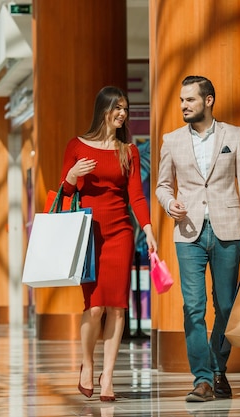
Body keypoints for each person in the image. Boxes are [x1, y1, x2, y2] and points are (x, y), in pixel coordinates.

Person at [155, 75, 240, 402]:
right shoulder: (171, 140)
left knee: (227, 306)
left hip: (228, 229)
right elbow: (162, 185)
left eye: (189, 99)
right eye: (181, 100)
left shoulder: (235, 135)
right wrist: (168, 202)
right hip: (187, 233)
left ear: (209, 100)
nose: (183, 106)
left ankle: (219, 368)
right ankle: (202, 379)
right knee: (193, 307)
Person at [60, 86, 157, 402]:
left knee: (117, 308)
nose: (123, 114)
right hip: (89, 235)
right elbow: (64, 191)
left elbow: (137, 197)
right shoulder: (76, 146)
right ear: (103, 109)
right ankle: (87, 363)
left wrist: (148, 229)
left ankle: (108, 378)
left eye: (126, 109)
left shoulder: (128, 150)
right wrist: (73, 174)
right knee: (95, 306)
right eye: (118, 108)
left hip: (120, 234)